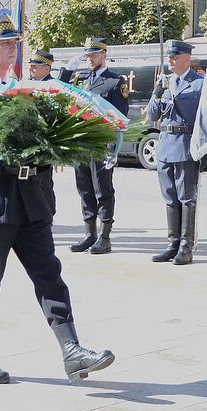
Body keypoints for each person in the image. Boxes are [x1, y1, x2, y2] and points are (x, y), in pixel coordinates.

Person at [0, 12, 114, 385]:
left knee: (49, 275)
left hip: (31, 199)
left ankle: (72, 351)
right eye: (3, 43)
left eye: (14, 43)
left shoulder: (28, 88)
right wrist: (7, 159)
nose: (10, 48)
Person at [59, 38, 130, 254]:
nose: (89, 59)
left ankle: (104, 236)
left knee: (102, 189)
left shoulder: (115, 81)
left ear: (104, 55)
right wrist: (67, 70)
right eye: (87, 55)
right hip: (82, 142)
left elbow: (120, 115)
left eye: (93, 54)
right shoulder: (81, 79)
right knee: (84, 189)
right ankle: (89, 234)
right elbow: (62, 91)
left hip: (101, 142)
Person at [147, 40, 205, 265]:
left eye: (175, 56)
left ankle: (186, 246)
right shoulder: (165, 82)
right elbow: (153, 115)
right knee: (170, 197)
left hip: (185, 144)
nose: (170, 60)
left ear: (187, 57)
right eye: (169, 56)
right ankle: (173, 243)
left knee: (186, 197)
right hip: (165, 144)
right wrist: (157, 93)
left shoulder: (199, 84)